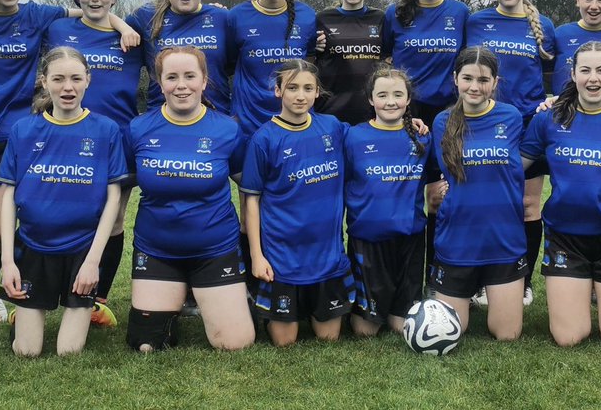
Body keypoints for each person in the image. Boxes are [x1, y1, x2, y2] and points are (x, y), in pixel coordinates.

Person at [0, 0, 138, 335]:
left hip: (16, 133)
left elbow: (92, 11)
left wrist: (120, 23)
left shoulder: (35, 15)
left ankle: (84, 295)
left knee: (98, 220)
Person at [520, 41, 601, 348]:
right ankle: (594, 294)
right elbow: (514, 167)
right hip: (566, 236)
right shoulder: (548, 118)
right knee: (568, 338)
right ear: (574, 74)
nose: (594, 78)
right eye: (586, 70)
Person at [0, 47, 127, 356]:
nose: (67, 88)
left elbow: (113, 198)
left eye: (75, 79)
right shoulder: (24, 130)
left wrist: (93, 262)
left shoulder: (106, 130)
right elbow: (8, 197)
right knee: (26, 351)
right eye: (58, 79)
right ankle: (26, 310)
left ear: (87, 81)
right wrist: (8, 261)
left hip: (82, 250)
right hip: (33, 246)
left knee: (69, 351)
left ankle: (88, 304)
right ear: (44, 81)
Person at [126, 46, 255, 352]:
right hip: (156, 250)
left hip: (215, 249)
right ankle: (174, 302)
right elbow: (121, 189)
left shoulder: (227, 129)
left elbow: (247, 187)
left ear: (204, 80)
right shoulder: (138, 128)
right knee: (146, 345)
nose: (181, 85)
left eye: (189, 76)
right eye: (172, 77)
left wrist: (251, 242)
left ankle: (236, 298)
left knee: (235, 343)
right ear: (159, 82)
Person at [43, 0, 145, 327]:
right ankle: (51, 288)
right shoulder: (59, 29)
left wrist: (123, 26)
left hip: (118, 137)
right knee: (69, 212)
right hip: (67, 137)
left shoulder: (135, 38)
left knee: (114, 218)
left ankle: (96, 297)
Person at [240, 59, 354, 346]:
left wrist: (410, 121)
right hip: (282, 257)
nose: (300, 95)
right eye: (292, 88)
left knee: (329, 338)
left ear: (317, 92)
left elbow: (373, 132)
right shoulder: (263, 139)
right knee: (285, 341)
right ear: (278, 91)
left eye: (307, 88)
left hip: (326, 256)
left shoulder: (332, 128)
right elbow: (251, 200)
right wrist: (257, 255)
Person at [465, 0, 556, 307]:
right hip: (485, 123)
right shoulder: (477, 22)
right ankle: (480, 279)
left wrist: (551, 100)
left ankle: (523, 280)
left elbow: (555, 71)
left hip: (529, 125)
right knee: (485, 201)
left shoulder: (543, 25)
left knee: (527, 204)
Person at [428, 47, 525, 341]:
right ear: (455, 78)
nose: (474, 86)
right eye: (467, 78)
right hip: (458, 238)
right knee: (453, 331)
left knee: (506, 334)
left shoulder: (511, 117)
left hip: (503, 238)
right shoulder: (441, 122)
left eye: (483, 80)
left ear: (495, 82)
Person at [344, 66, 432, 336]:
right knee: (365, 330)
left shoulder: (422, 138)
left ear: (408, 100)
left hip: (410, 239)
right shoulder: (352, 136)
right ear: (370, 100)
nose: (390, 101)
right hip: (369, 241)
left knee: (400, 325)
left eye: (397, 94)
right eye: (382, 95)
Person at [226, 0, 317, 137]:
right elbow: (228, 63)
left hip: (295, 118)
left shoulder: (307, 15)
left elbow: (310, 64)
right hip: (249, 121)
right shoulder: (236, 16)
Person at [128, 0, 232, 115]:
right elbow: (101, 19)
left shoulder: (222, 17)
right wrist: (122, 27)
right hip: (160, 121)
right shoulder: (145, 17)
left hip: (216, 119)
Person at [381, 0, 468, 125]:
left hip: (449, 107)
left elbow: (467, 58)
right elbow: (384, 55)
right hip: (405, 106)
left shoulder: (460, 12)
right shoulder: (395, 13)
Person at [314, 0, 385, 124]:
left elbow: (389, 58)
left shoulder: (380, 18)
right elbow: (310, 60)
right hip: (330, 113)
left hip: (371, 112)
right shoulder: (323, 18)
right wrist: (314, 47)